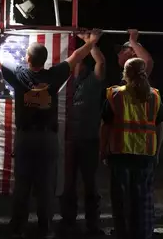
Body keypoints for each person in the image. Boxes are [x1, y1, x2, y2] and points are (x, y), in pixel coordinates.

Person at [0, 26, 102, 239]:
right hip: (48, 138)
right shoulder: (54, 75)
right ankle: (45, 228)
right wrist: (92, 42)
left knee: (23, 184)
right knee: (46, 185)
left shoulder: (19, 74)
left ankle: (17, 227)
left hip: (26, 138)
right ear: (44, 60)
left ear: (27, 58)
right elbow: (75, 57)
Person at [100, 58, 163, 239]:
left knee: (121, 200)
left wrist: (102, 150)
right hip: (146, 155)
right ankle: (143, 233)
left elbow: (106, 126)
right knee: (143, 199)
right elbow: (159, 125)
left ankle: (123, 233)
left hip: (120, 154)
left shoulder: (116, 95)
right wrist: (157, 152)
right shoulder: (154, 96)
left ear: (125, 74)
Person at [60, 33, 106, 237]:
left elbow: (101, 61)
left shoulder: (93, 83)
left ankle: (92, 224)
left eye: (80, 61)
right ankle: (68, 221)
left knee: (90, 184)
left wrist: (90, 42)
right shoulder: (66, 85)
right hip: (69, 141)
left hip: (88, 141)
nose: (77, 64)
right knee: (68, 184)